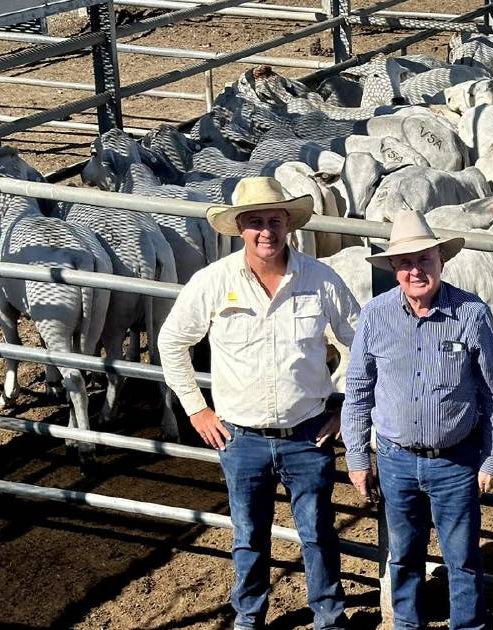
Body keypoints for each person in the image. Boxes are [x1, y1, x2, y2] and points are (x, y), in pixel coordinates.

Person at [158, 177, 358, 630]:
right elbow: (172, 342)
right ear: (240, 229)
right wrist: (196, 407)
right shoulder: (213, 281)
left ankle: (329, 615)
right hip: (240, 435)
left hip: (309, 433)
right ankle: (249, 615)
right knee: (249, 536)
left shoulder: (321, 279)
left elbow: (362, 345)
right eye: (254, 223)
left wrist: (345, 406)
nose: (265, 231)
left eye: (273, 220)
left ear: (288, 224)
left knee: (318, 532)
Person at [341, 210, 493, 630]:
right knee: (402, 555)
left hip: (455, 460)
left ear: (441, 260)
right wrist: (358, 456)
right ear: (394, 268)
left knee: (462, 558)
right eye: (405, 263)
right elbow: (359, 389)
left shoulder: (471, 314)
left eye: (424, 260)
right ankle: (406, 625)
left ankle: (468, 626)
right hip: (396, 460)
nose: (415, 270)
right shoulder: (376, 314)